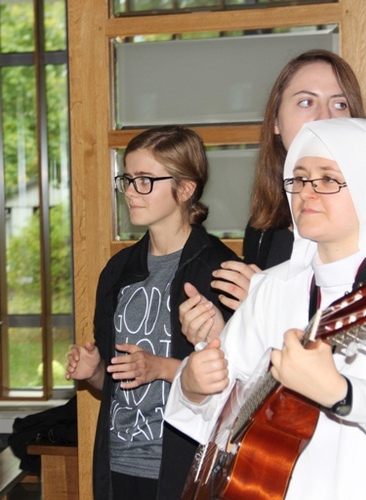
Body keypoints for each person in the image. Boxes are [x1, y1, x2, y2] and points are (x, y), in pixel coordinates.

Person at [165, 118, 366, 498]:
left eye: (328, 179)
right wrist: (194, 385)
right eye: (298, 179)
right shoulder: (272, 286)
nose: (306, 193)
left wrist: (342, 392)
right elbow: (226, 409)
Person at [65, 126, 239, 499]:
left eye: (145, 180)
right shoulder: (117, 271)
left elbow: (239, 387)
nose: (130, 191)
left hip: (187, 465)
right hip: (118, 463)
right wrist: (94, 369)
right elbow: (114, 383)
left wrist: (161, 367)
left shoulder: (222, 271)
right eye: (127, 179)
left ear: (186, 188)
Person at [179, 49, 366, 344]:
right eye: (306, 102)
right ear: (276, 122)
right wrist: (222, 332)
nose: (325, 117)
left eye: (340, 104)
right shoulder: (263, 229)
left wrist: (266, 305)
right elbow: (264, 359)